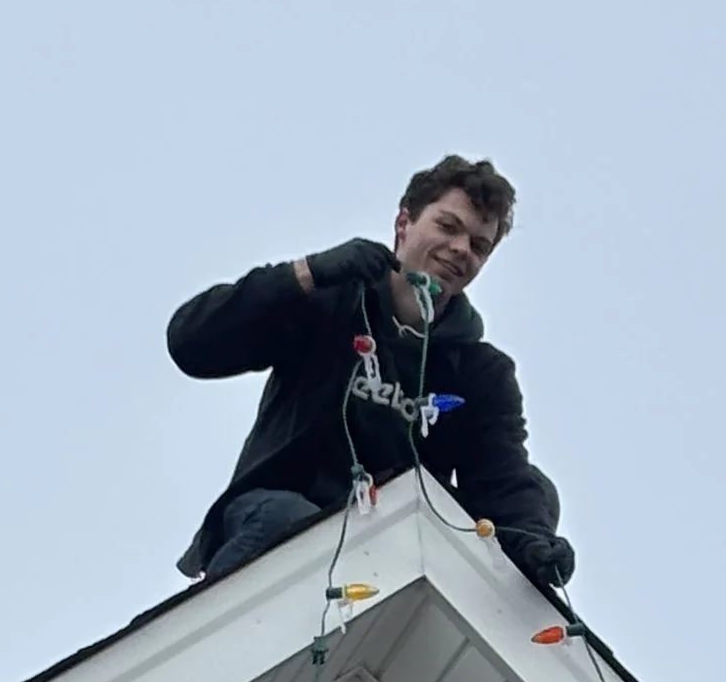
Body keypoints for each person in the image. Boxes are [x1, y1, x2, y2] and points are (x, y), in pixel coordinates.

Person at [168, 154, 574, 592]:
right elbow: (193, 343)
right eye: (447, 226)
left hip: (391, 543)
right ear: (404, 223)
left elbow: (502, 476)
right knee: (290, 523)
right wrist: (306, 275)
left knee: (538, 494)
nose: (461, 249)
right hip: (277, 513)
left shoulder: (480, 373)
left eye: (478, 246)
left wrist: (533, 543)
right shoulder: (332, 301)